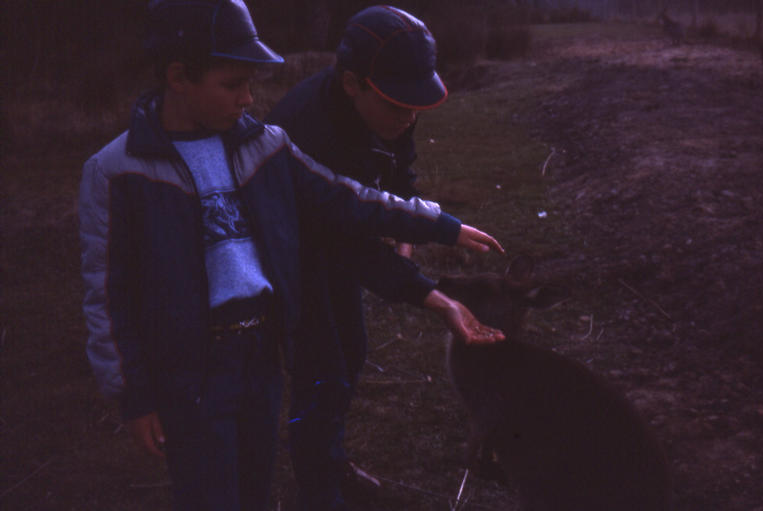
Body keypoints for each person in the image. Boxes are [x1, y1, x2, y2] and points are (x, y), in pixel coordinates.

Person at [78, 1, 504, 510]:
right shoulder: (115, 171)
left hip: (260, 355)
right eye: (232, 83)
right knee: (208, 490)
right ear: (178, 76)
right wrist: (134, 395)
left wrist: (438, 225)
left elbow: (350, 196)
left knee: (255, 480)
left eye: (250, 82)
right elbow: (108, 296)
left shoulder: (265, 146)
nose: (249, 98)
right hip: (190, 371)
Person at [266, 6, 452, 509]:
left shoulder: (392, 113)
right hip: (294, 252)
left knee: (350, 349)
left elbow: (398, 172)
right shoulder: (309, 128)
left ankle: (330, 456)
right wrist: (420, 288)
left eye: (415, 105)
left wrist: (401, 218)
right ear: (353, 83)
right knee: (320, 367)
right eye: (397, 105)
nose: (408, 117)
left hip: (341, 238)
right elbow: (345, 242)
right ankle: (317, 490)